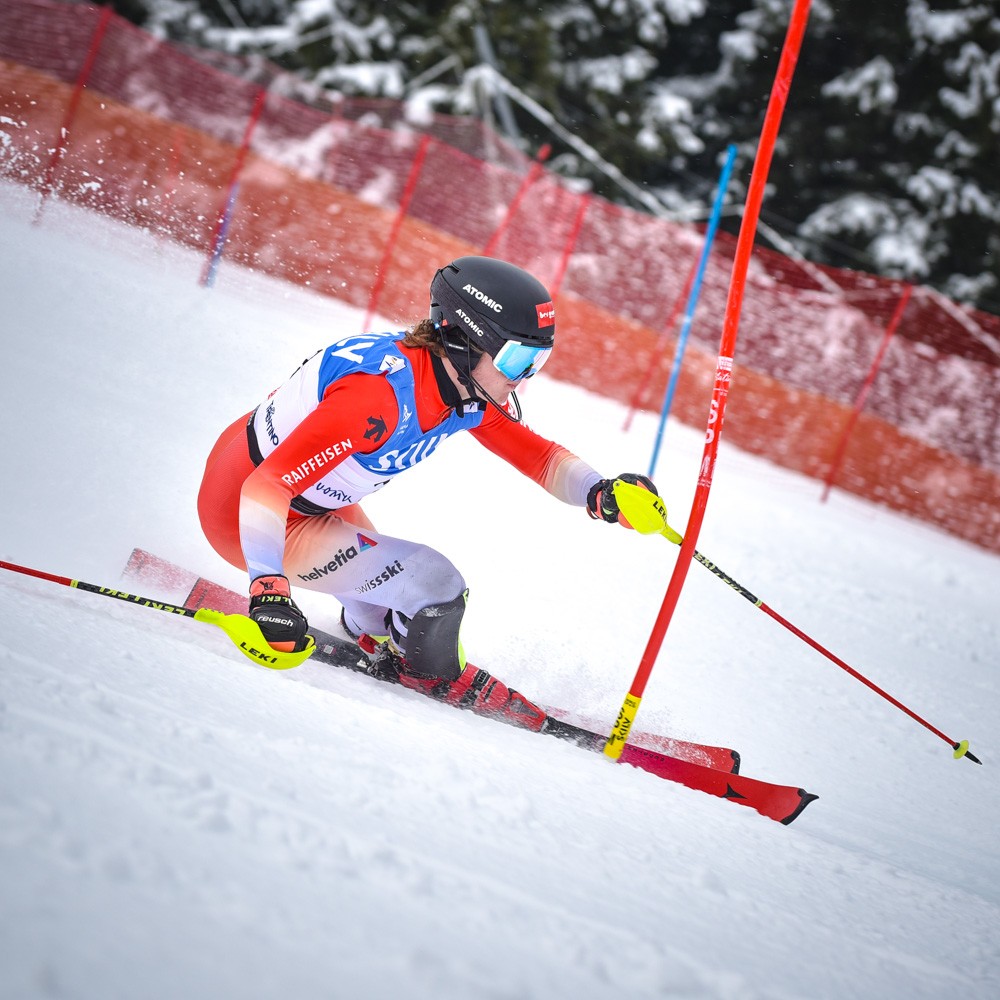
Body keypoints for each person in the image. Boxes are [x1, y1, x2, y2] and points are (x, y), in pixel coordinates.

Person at [198, 255, 659, 732]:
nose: (523, 377)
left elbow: (538, 456)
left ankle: (373, 633)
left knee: (385, 609)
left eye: (537, 362)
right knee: (435, 586)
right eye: (517, 359)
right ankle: (427, 674)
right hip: (248, 511)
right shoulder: (378, 397)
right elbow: (267, 483)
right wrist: (269, 591)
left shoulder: (459, 384)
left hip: (304, 496)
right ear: (464, 340)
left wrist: (600, 492)